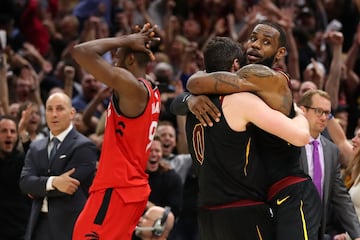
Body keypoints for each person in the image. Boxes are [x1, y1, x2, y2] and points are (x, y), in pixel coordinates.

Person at [172, 22, 321, 240]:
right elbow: (181, 99)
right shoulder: (238, 90)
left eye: (266, 42)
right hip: (263, 195)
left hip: (290, 189)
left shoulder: (268, 78)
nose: (256, 45)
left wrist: (191, 89)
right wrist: (189, 98)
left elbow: (197, 81)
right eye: (253, 38)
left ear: (280, 53)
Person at [70, 23, 161, 239]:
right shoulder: (150, 89)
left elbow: (81, 51)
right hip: (128, 190)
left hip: (117, 189)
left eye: (116, 57)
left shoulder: (133, 88)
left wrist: (125, 40)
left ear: (129, 60)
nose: (112, 63)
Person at [19, 92, 98, 240]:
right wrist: (53, 182)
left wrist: (38, 187)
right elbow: (24, 183)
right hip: (37, 226)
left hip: (70, 227)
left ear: (72, 113)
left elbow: (69, 187)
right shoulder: (36, 147)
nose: (54, 114)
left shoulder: (84, 146)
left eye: (60, 108)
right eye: (49, 109)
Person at [298, 89, 360, 240]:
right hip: (292, 226)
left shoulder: (331, 150)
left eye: (327, 113)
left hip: (319, 228)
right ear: (303, 110)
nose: (324, 117)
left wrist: (357, 235)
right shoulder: (290, 144)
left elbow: (340, 197)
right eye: (319, 111)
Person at [0, 115, 31, 240]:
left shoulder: (22, 160)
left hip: (19, 231)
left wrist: (24, 132)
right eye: (3, 131)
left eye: (13, 131)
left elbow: (35, 161)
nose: (9, 135)